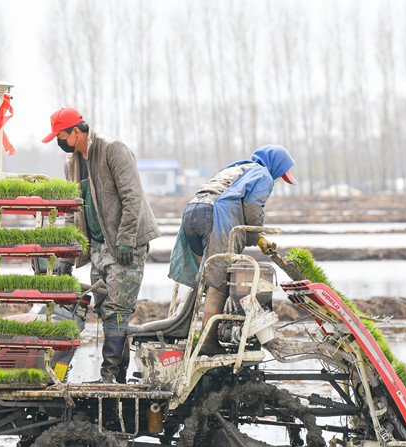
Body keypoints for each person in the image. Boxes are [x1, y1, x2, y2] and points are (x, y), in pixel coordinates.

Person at [42, 108, 159, 383]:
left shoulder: (112, 150)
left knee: (118, 309)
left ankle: (108, 377)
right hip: (97, 245)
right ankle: (118, 378)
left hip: (124, 244)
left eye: (61, 136)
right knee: (106, 311)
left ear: (76, 131)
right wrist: (66, 257)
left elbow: (133, 197)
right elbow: (72, 212)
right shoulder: (70, 163)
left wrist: (126, 240)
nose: (59, 143)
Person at [169, 145, 296, 354]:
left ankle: (184, 330)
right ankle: (207, 343)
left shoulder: (238, 168)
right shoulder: (263, 174)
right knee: (218, 280)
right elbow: (253, 208)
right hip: (214, 213)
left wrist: (257, 240)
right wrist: (257, 236)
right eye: (280, 175)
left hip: (192, 212)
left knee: (204, 278)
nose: (277, 180)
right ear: (275, 166)